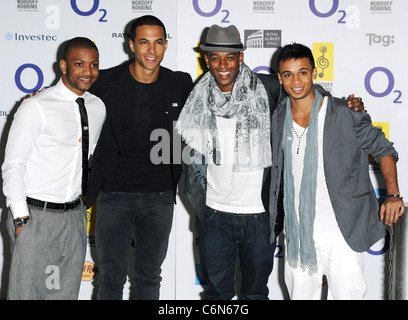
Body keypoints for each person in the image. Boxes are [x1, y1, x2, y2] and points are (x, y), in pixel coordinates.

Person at [176, 25, 365, 300]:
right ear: (206, 60)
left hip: (260, 216)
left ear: (241, 58)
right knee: (217, 295)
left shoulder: (267, 88)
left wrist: (345, 105)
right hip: (215, 214)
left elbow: (304, 90)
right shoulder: (197, 98)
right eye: (215, 58)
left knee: (255, 294)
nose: (223, 65)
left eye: (230, 57)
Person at [268, 43, 405, 299]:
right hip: (298, 235)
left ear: (314, 73)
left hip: (343, 234)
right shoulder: (277, 119)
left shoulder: (343, 112)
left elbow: (384, 149)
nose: (296, 81)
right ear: (280, 78)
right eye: (288, 74)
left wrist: (393, 194)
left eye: (302, 72)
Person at [85, 15, 193, 300]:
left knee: (148, 278)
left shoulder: (179, 84)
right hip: (114, 194)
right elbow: (71, 102)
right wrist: (37, 98)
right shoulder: (106, 82)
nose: (151, 50)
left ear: (166, 45)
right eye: (144, 42)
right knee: (110, 278)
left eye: (158, 42)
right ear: (131, 45)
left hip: (159, 196)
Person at [2, 37, 106, 299]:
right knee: (26, 295)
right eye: (79, 64)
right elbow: (14, 164)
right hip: (36, 216)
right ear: (63, 66)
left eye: (94, 65)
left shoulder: (97, 107)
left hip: (74, 217)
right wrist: (20, 217)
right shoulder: (36, 106)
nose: (88, 71)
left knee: (64, 294)